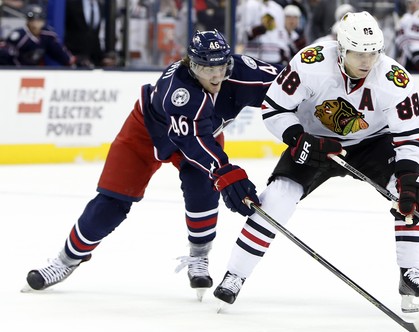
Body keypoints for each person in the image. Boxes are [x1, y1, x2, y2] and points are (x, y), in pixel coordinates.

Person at [24, 30, 282, 299]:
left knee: (203, 190)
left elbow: (290, 82)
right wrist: (225, 171)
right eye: (206, 68)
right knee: (112, 202)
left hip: (200, 134)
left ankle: (199, 256)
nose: (216, 76)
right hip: (146, 132)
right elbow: (193, 142)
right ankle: (65, 260)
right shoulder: (179, 91)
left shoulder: (243, 71)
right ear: (191, 66)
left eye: (221, 66)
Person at [213, 11, 419, 314]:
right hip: (313, 142)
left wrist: (409, 174)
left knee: (410, 192)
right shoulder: (310, 63)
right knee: (279, 197)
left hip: (370, 143)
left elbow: (411, 135)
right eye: (359, 53)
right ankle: (235, 274)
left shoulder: (394, 79)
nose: (367, 61)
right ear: (341, 48)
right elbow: (274, 109)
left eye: (373, 53)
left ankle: (411, 275)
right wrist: (298, 139)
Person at [0, 4, 75, 66]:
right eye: (33, 19)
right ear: (28, 21)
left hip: (34, 71)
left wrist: (70, 61)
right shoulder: (18, 35)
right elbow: (5, 55)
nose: (36, 23)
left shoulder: (47, 34)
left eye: (39, 19)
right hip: (15, 71)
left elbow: (58, 52)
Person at [64, 0, 116, 67]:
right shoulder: (71, 3)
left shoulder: (100, 6)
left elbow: (94, 36)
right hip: (75, 59)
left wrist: (101, 58)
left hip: (93, 62)